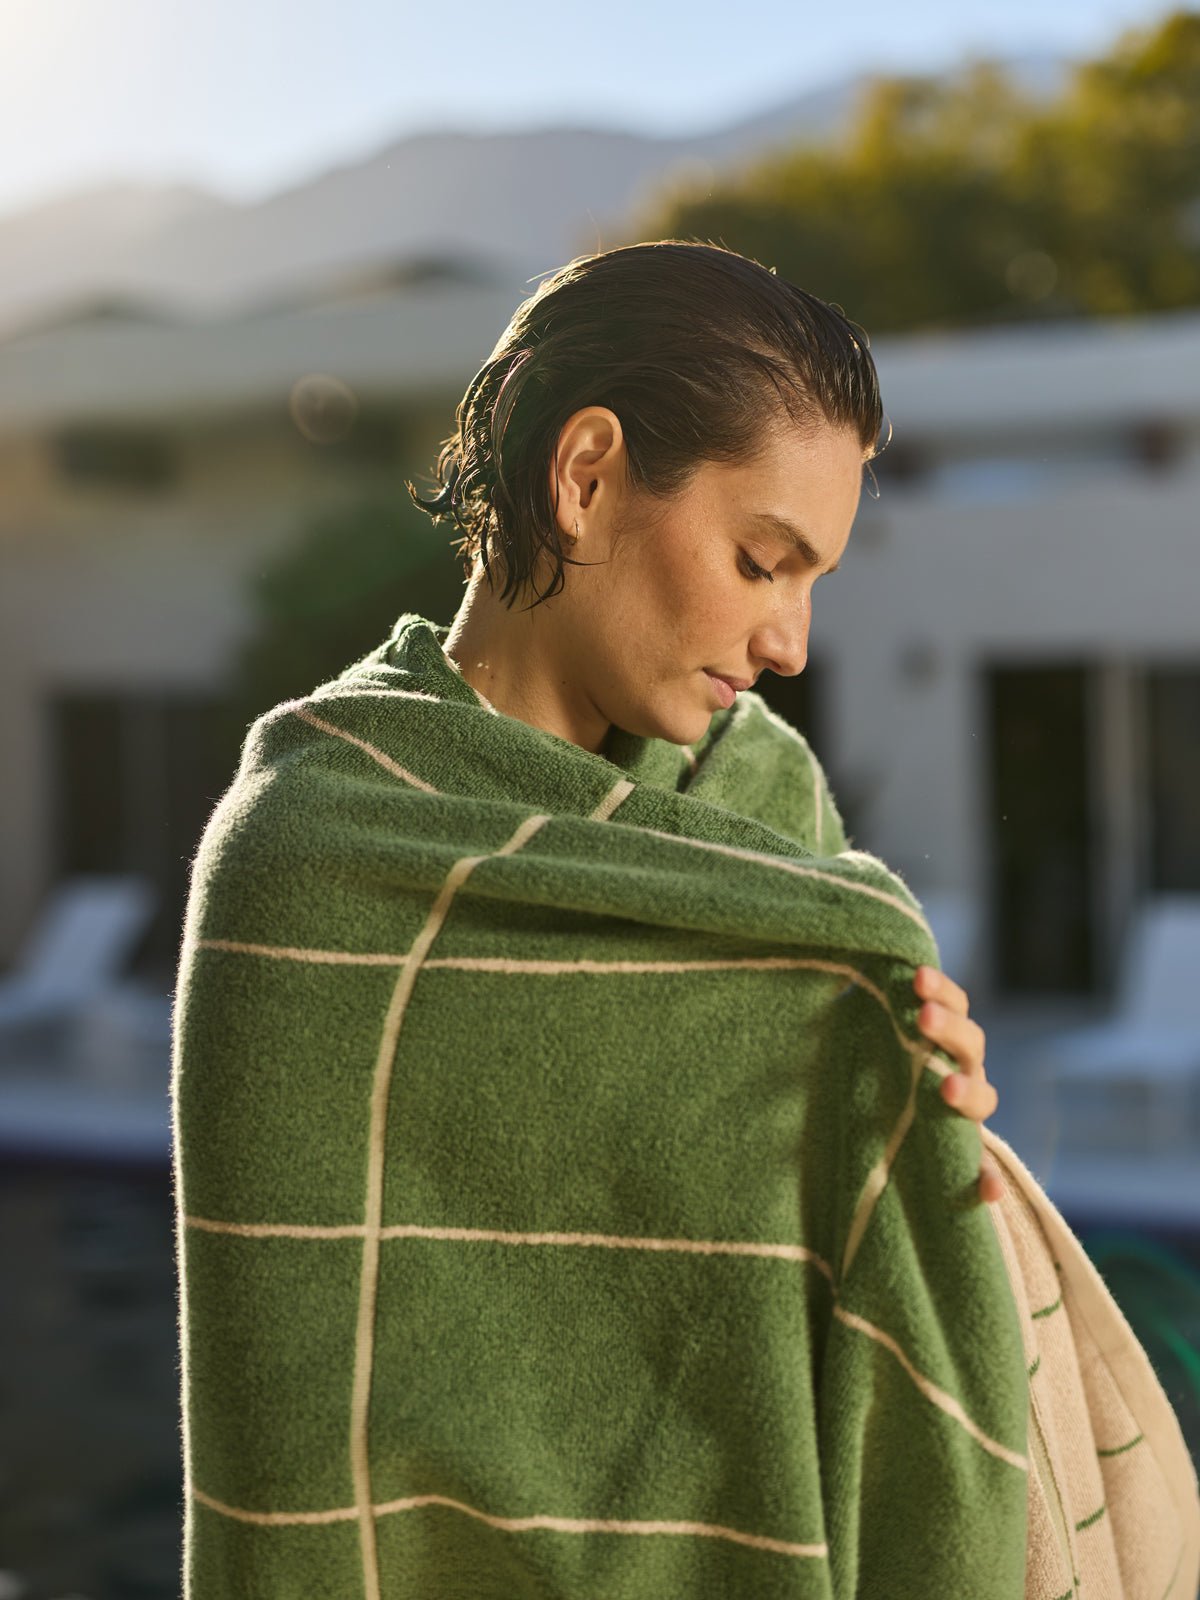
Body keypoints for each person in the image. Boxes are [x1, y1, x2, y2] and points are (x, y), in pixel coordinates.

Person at [172, 239, 1198, 1598]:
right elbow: (298, 1415)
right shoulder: (314, 859)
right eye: (764, 560)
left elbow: (856, 1261)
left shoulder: (760, 804)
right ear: (585, 477)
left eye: (816, 580)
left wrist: (906, 1091)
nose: (793, 642)